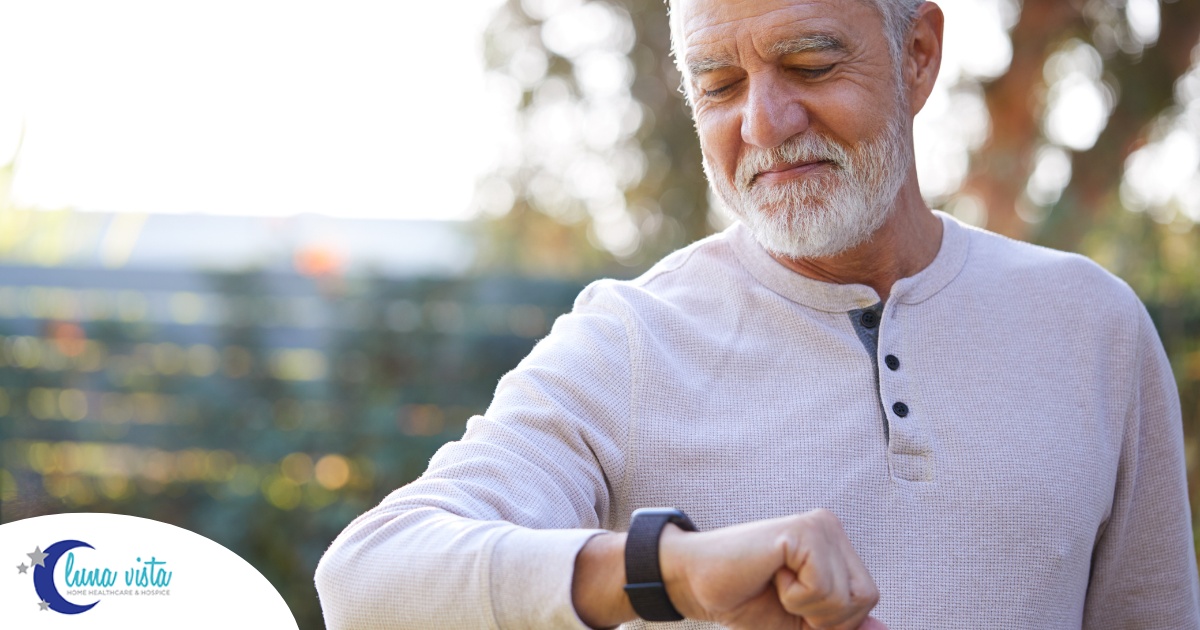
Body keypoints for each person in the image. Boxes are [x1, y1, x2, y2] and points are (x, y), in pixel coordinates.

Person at [314, 0, 1200, 627]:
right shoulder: (629, 340)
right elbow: (368, 581)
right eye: (719, 84)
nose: (766, 123)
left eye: (810, 63)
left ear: (920, 52)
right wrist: (673, 571)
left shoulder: (1096, 329)